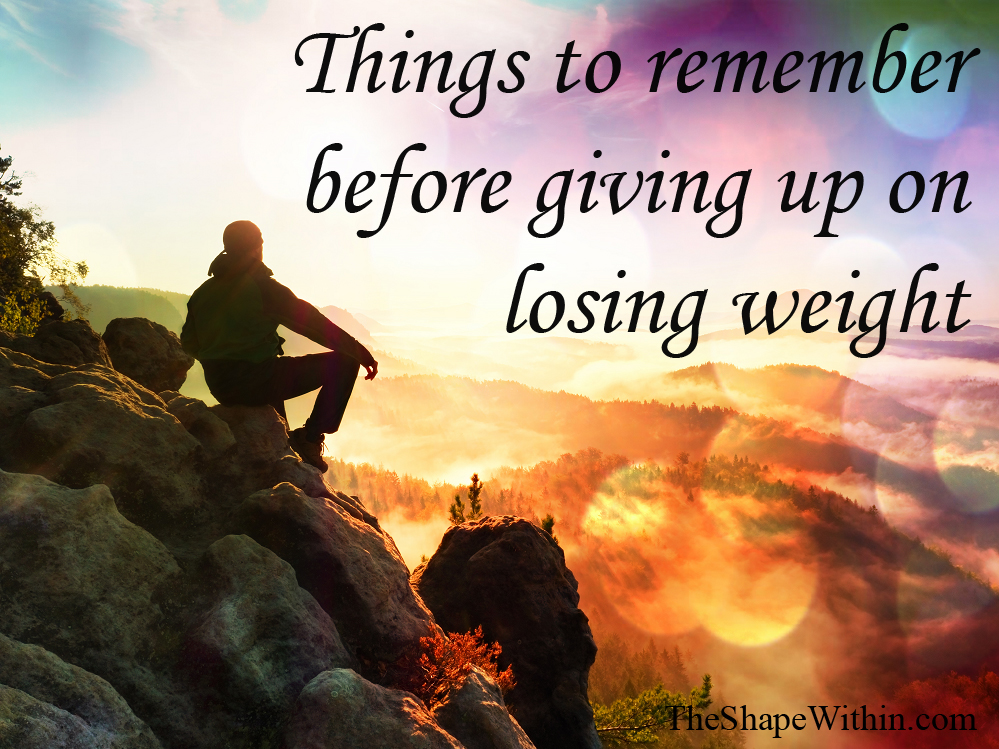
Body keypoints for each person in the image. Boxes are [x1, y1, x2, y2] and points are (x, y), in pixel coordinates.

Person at [181, 220, 377, 472]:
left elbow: (189, 342)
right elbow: (313, 324)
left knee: (276, 404)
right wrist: (359, 352)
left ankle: (287, 448)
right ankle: (310, 438)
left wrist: (221, 358)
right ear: (256, 247)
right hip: (259, 380)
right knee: (344, 363)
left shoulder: (202, 292)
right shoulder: (262, 287)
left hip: (220, 385)